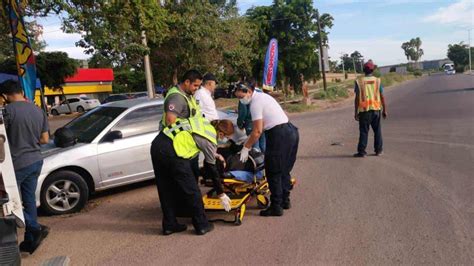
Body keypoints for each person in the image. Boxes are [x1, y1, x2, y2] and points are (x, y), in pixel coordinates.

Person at [150, 70, 229, 236]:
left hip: (159, 145)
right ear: (186, 82)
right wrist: (221, 192)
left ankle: (170, 224)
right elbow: (211, 167)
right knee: (192, 189)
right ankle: (201, 224)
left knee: (166, 188)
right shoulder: (177, 97)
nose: (196, 89)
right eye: (195, 85)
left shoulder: (189, 97)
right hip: (174, 149)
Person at [234, 83, 299, 217]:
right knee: (284, 169)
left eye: (241, 96)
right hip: (290, 131)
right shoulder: (264, 97)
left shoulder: (255, 103)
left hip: (279, 135)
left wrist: (246, 147)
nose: (241, 100)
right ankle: (285, 201)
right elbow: (261, 127)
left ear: (249, 91)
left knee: (273, 171)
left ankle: (276, 207)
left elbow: (257, 130)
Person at [0, 80, 49, 254]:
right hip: (36, 160)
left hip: (16, 164)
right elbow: (44, 139)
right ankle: (30, 239)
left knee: (9, 201)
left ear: (5, 96)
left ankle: (34, 228)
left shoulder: (7, 112)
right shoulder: (38, 110)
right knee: (28, 201)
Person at [353, 60, 387, 157]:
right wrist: (385, 109)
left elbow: (357, 98)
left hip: (364, 111)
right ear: (373, 70)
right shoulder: (377, 80)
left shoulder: (359, 81)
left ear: (364, 70)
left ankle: (362, 152)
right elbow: (382, 96)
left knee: (364, 131)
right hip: (376, 109)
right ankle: (378, 150)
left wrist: (355, 112)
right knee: (377, 131)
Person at [237, 80, 266, 152]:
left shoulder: (244, 95)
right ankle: (266, 161)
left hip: (251, 122)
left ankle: (258, 161)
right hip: (262, 122)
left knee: (255, 146)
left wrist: (240, 123)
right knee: (263, 144)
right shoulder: (260, 93)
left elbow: (243, 112)